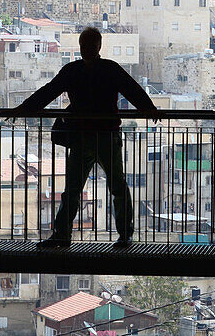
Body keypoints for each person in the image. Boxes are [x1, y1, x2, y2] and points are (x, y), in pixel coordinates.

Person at [9, 27, 160, 247]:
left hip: (82, 136)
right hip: (107, 134)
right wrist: (149, 108)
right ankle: (125, 235)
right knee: (116, 186)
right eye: (85, 46)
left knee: (73, 189)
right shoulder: (110, 69)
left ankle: (62, 236)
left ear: (95, 47)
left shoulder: (73, 70)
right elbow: (133, 90)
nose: (87, 50)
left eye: (87, 46)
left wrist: (24, 108)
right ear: (98, 46)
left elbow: (49, 91)